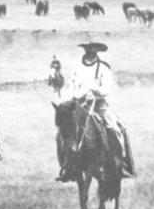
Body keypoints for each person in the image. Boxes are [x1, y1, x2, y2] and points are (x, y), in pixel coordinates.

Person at [55, 41, 135, 180]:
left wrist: (97, 90)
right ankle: (66, 166)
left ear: (98, 50)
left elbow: (107, 88)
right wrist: (77, 95)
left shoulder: (103, 67)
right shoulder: (76, 65)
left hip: (98, 104)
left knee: (116, 128)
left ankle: (121, 162)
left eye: (94, 49)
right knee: (63, 130)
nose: (90, 51)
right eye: (88, 48)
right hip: (78, 103)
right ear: (84, 49)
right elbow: (71, 84)